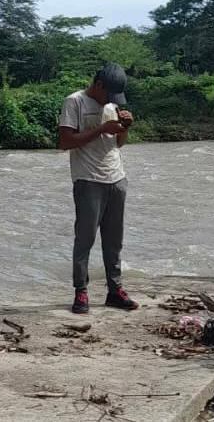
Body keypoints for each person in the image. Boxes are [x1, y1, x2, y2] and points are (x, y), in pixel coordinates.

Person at [58, 63, 139, 314]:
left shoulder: (112, 106)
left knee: (114, 240)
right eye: (109, 94)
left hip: (116, 178)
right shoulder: (74, 102)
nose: (111, 100)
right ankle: (81, 291)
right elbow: (65, 142)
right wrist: (102, 128)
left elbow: (118, 143)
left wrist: (125, 128)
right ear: (98, 85)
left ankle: (115, 290)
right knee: (85, 239)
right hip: (88, 180)